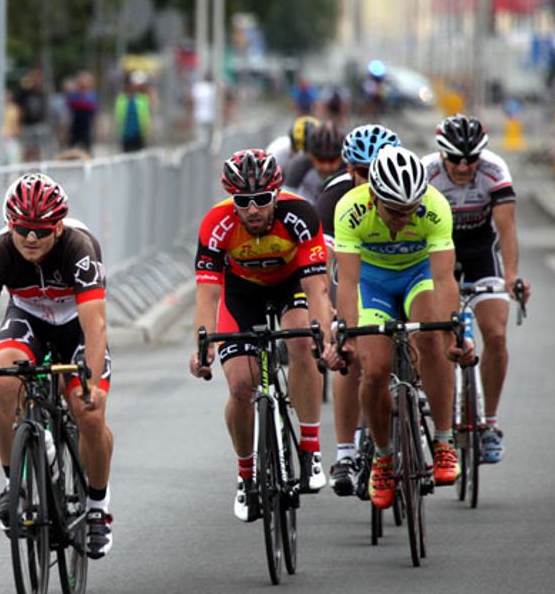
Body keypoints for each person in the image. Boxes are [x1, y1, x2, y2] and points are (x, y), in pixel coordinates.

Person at [0, 173, 116, 559]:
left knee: (89, 414)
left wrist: (88, 383)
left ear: (57, 226)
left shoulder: (80, 248)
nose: (31, 238)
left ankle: (97, 508)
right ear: (11, 225)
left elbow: (96, 325)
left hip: (76, 326)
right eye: (22, 229)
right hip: (28, 320)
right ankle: (16, 484)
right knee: (6, 383)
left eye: (41, 230)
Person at [188, 149, 337, 522]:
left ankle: (310, 449)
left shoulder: (300, 215)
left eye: (261, 200)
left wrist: (326, 340)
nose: (253, 210)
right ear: (231, 199)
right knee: (241, 387)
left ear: (276, 193)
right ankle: (245, 475)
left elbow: (317, 289)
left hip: (291, 286)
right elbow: (207, 294)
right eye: (243, 201)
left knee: (303, 343)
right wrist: (202, 347)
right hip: (241, 294)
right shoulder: (217, 224)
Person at [334, 146, 471, 509]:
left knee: (432, 336)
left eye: (410, 210)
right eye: (394, 211)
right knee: (375, 369)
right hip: (372, 281)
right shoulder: (350, 208)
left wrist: (454, 332)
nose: (403, 219)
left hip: (418, 275)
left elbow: (444, 281)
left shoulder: (436, 206)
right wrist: (344, 335)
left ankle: (443, 441)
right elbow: (346, 283)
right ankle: (382, 456)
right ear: (374, 196)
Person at [423, 114, 531, 463]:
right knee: (433, 331)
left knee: (496, 335)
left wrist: (512, 276)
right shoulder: (426, 175)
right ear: (442, 154)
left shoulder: (494, 170)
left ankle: (488, 424)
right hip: (438, 251)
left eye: (472, 159)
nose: (464, 166)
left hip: (481, 251)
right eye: (456, 158)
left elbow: (507, 228)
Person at [315, 124, 401, 495]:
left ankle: (414, 406)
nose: (372, 181)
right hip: (353, 275)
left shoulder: (407, 184)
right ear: (349, 170)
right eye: (364, 173)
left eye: (378, 169)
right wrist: (332, 322)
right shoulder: (334, 199)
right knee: (347, 351)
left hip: (399, 269)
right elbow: (325, 269)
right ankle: (347, 452)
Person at [288, 121, 346, 204]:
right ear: (310, 155)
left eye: (332, 160)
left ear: (342, 156)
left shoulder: (350, 168)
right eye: (321, 160)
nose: (327, 167)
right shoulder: (300, 164)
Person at [15, 68, 50, 162]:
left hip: (40, 125)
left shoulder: (43, 92)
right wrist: (20, 125)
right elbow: (20, 110)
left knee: (39, 151)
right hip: (28, 125)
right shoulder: (25, 93)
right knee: (27, 151)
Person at [115, 71, 152, 152]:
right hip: (126, 134)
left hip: (139, 134)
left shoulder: (142, 99)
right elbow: (118, 117)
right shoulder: (121, 99)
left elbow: (147, 115)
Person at [66, 71, 98, 154]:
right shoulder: (73, 95)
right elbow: (68, 110)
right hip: (75, 126)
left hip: (87, 127)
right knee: (72, 148)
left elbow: (95, 113)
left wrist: (97, 127)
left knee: (88, 148)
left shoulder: (92, 95)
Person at [191, 72, 217, 146]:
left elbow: (193, 101)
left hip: (199, 114)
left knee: (200, 137)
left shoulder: (198, 87)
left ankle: (201, 149)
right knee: (210, 138)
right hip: (211, 115)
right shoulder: (213, 88)